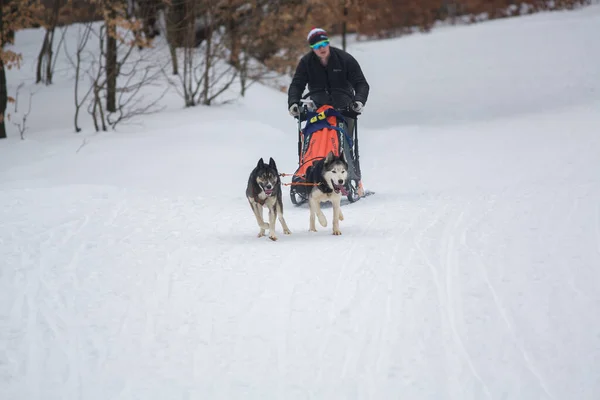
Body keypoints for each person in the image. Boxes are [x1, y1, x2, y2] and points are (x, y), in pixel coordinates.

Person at [287, 27, 370, 136]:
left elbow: (361, 83)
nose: (322, 48)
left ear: (328, 43)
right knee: (317, 141)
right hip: (318, 110)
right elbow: (297, 85)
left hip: (345, 109)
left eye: (324, 43)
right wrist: (293, 102)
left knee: (345, 142)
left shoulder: (345, 59)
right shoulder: (306, 63)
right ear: (312, 48)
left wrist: (359, 100)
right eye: (317, 46)